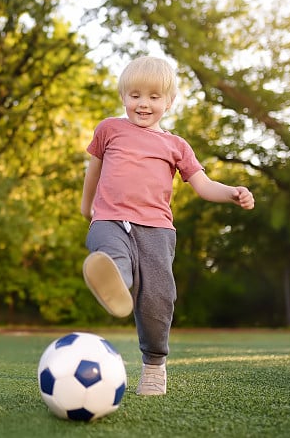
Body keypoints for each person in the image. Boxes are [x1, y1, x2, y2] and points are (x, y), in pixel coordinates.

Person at [80, 56, 254, 396]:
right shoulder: (109, 129)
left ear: (169, 102)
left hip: (157, 230)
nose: (143, 103)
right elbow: (93, 172)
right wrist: (87, 209)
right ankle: (116, 278)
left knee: (159, 300)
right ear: (123, 97)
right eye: (135, 95)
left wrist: (231, 192)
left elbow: (203, 185)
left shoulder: (176, 146)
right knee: (112, 251)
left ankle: (154, 366)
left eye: (154, 96)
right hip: (109, 219)